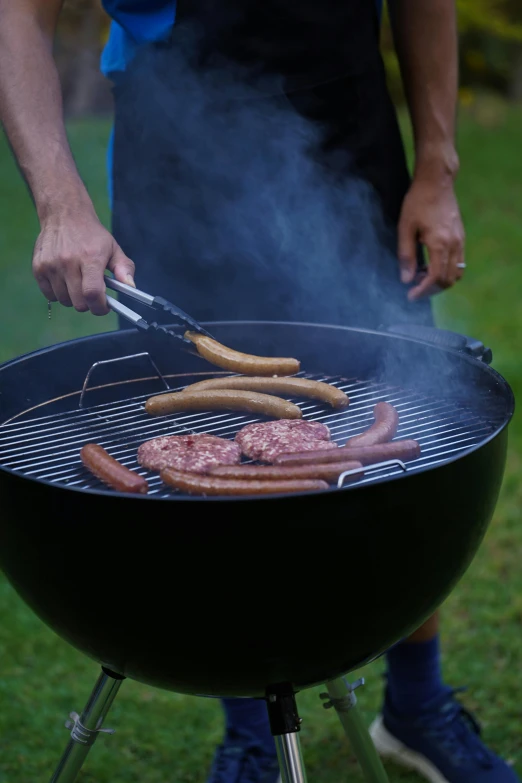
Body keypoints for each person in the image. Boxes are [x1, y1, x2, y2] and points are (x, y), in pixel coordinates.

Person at [0, 2, 517, 783]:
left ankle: (416, 703)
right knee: (214, 454)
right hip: (177, 152)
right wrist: (61, 203)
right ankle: (250, 725)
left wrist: (437, 169)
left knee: (397, 417)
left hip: (346, 131)